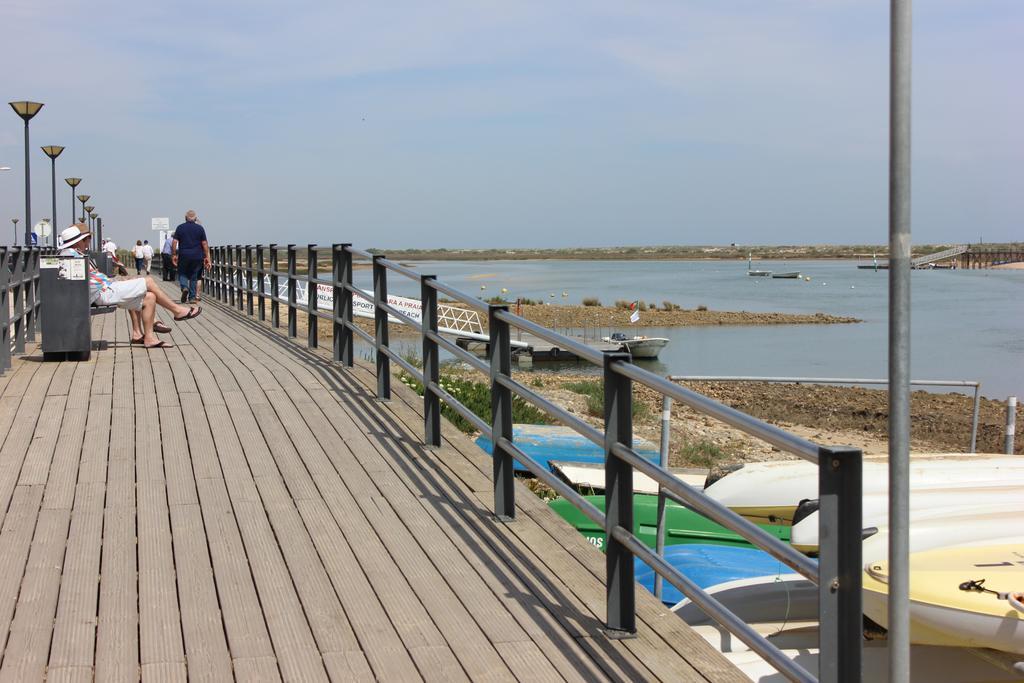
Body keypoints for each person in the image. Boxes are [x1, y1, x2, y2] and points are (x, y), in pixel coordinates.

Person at [58, 224, 201, 349]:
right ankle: (177, 311)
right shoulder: (71, 255)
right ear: (77, 242)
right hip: (103, 292)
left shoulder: (72, 254)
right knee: (148, 281)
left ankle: (149, 338)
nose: (86, 242)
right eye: (83, 239)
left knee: (149, 297)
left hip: (104, 288)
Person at [172, 210, 211, 304]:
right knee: (194, 276)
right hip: (197, 256)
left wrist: (174, 254)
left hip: (184, 255)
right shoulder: (200, 228)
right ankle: (192, 298)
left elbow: (174, 242)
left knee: (182, 273)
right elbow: (204, 243)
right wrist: (207, 257)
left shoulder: (180, 227)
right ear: (195, 218)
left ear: (185, 218)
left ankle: (184, 287)